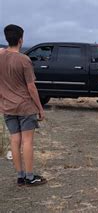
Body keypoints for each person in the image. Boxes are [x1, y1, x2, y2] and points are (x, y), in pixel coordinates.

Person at [0, 24, 47, 186]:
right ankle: (30, 176)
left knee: (15, 140)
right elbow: (31, 87)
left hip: (7, 106)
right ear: (21, 40)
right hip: (25, 106)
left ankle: (20, 176)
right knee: (27, 141)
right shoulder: (24, 60)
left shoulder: (0, 55)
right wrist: (40, 108)